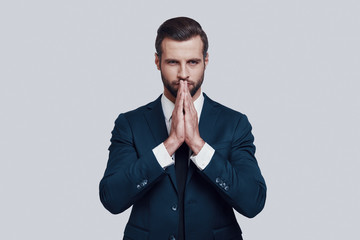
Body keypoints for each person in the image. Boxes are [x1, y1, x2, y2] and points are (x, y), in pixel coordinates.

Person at [99, 16, 266, 240]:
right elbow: (112, 198)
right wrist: (169, 145)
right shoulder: (129, 124)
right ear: (157, 62)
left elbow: (253, 201)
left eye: (193, 62)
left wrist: (198, 144)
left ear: (206, 61)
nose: (183, 74)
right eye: (173, 62)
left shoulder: (235, 124)